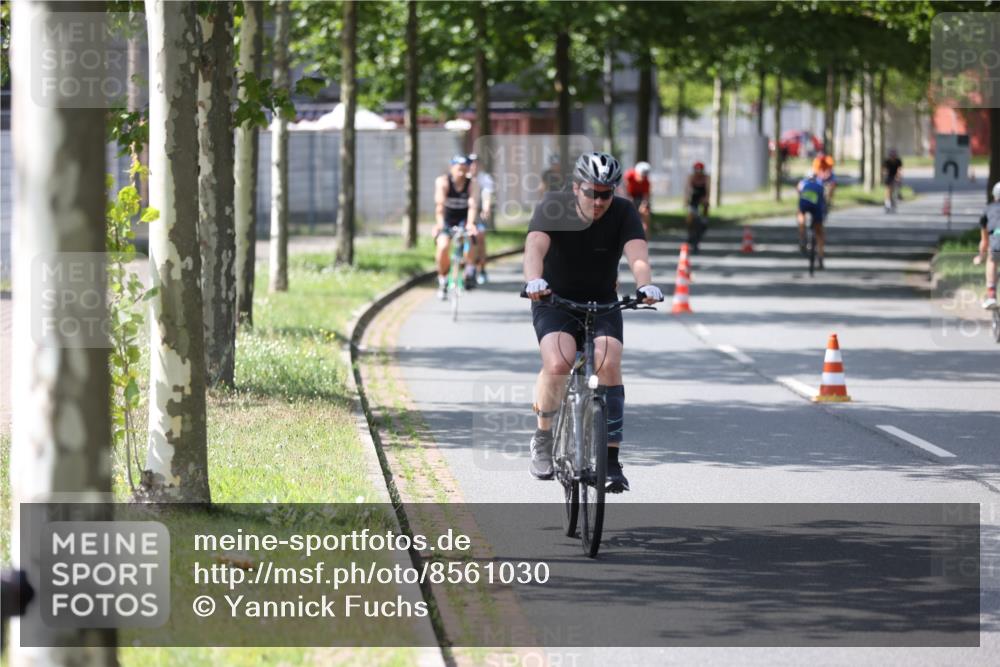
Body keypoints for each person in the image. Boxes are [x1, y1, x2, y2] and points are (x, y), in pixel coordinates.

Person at [523, 151, 663, 493]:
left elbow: (637, 255)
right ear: (576, 188)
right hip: (554, 298)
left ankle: (612, 462)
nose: (598, 201)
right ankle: (543, 438)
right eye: (591, 192)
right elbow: (534, 246)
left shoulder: (624, 211)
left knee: (609, 361)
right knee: (558, 362)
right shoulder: (554, 206)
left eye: (606, 193)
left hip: (601, 300)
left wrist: (644, 284)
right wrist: (534, 281)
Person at [432, 155, 479, 300]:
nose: (461, 173)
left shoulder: (472, 183)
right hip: (447, 219)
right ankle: (443, 281)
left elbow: (472, 205)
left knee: (470, 240)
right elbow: (439, 206)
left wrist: (471, 223)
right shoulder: (443, 182)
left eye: (465, 169)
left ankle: (470, 271)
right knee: (443, 247)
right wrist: (439, 224)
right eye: (459, 169)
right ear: (452, 168)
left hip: (464, 219)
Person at [468, 153, 495, 285]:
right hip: (464, 212)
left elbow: (487, 195)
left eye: (476, 163)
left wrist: (486, 208)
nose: (474, 166)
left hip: (478, 212)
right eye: (471, 163)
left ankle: (482, 268)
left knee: (480, 236)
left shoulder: (485, 178)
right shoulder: (465, 176)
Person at [975, 181, 1000, 309]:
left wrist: (980, 257)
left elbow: (984, 241)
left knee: (992, 259)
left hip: (997, 242)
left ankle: (991, 295)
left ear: (995, 196)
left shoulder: (989, 209)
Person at [797, 169, 827, 267]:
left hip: (804, 202)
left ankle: (802, 237)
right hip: (817, 205)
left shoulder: (803, 182)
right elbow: (824, 198)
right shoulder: (820, 183)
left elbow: (798, 191)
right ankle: (821, 257)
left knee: (801, 213)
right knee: (819, 232)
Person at [685, 162, 710, 252]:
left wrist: (706, 199)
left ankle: (705, 220)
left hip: (702, 199)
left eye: (700, 171)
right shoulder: (691, 177)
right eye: (697, 170)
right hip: (693, 199)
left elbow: (708, 190)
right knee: (690, 217)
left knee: (705, 207)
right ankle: (690, 233)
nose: (698, 173)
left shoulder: (706, 178)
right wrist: (686, 200)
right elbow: (687, 189)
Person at [623, 161, 652, 236]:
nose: (642, 178)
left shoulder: (646, 181)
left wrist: (644, 205)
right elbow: (624, 188)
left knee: (645, 212)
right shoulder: (629, 175)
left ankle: (645, 234)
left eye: (644, 176)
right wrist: (628, 199)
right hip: (628, 196)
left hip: (640, 197)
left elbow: (646, 196)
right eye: (641, 176)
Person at [882, 149, 903, 213]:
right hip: (888, 176)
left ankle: (894, 204)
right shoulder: (887, 161)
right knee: (888, 190)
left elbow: (899, 170)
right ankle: (887, 204)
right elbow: (884, 170)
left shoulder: (898, 161)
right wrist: (885, 175)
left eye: (894, 156)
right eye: (891, 156)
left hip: (895, 176)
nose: (892, 157)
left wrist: (898, 177)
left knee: (895, 191)